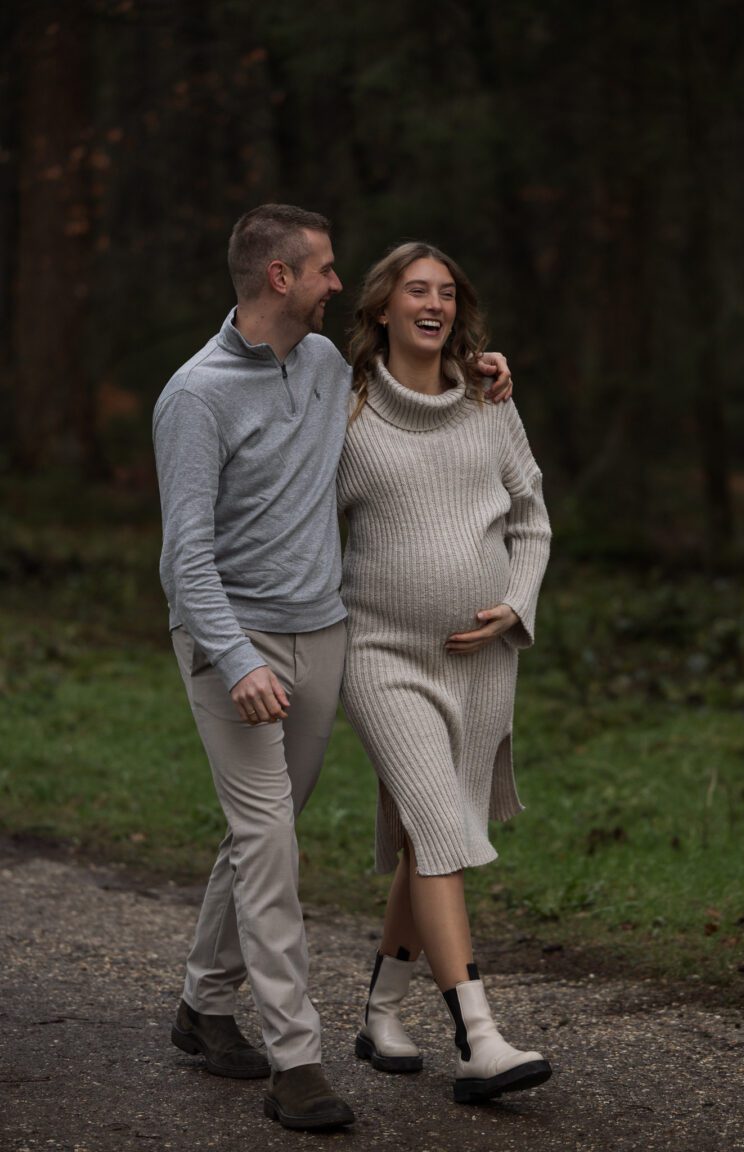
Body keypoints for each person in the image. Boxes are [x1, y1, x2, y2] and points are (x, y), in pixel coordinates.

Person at [152, 205, 513, 1131]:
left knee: (264, 831)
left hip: (322, 637)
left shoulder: (323, 369)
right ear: (280, 277)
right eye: (323, 269)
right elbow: (183, 560)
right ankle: (297, 1059)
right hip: (235, 646)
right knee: (272, 846)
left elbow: (412, 394)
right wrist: (235, 660)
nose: (338, 283)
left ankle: (201, 1002)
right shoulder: (194, 397)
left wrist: (482, 370)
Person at [337, 242, 553, 1106]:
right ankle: (480, 1037)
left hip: (481, 663)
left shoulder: (488, 401)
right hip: (380, 656)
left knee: (431, 837)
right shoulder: (343, 411)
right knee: (437, 822)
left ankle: (382, 1015)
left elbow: (532, 519)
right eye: (415, 291)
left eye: (447, 293)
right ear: (382, 308)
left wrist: (515, 604)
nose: (434, 303)